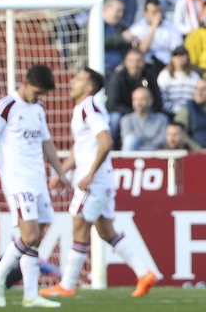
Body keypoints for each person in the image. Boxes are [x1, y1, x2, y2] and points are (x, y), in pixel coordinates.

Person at [41, 69, 161, 298]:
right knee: (106, 231)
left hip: (94, 181)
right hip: (100, 179)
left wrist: (89, 174)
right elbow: (82, 146)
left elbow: (105, 142)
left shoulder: (89, 107)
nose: (72, 81)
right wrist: (62, 171)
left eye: (78, 79)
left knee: (79, 225)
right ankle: (143, 273)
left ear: (88, 87)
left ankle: (67, 284)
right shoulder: (82, 109)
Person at [0, 63, 68, 309]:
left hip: (38, 178)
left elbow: (46, 142)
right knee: (29, 235)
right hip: (17, 179)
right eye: (37, 92)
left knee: (36, 238)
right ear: (26, 83)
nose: (39, 97)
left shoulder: (38, 107)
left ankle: (31, 295)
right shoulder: (5, 105)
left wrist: (59, 172)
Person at [106, 47, 164, 140]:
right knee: (115, 119)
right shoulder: (117, 78)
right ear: (125, 62)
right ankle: (113, 149)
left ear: (144, 62)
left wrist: (146, 110)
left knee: (162, 118)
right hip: (124, 114)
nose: (135, 65)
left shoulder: (150, 76)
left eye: (138, 61)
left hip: (146, 112)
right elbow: (111, 104)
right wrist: (132, 112)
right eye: (131, 61)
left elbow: (158, 102)